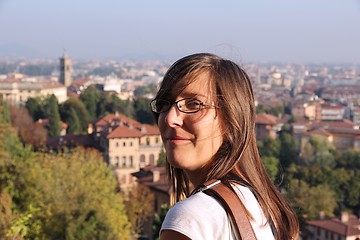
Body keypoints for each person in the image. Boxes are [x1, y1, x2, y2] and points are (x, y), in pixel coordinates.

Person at [150, 53, 299, 240]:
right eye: (165, 103)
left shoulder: (191, 219)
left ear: (230, 121)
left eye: (194, 104)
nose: (170, 118)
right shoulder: (265, 208)